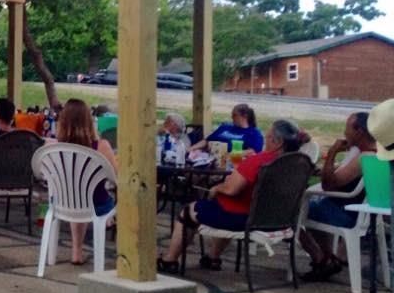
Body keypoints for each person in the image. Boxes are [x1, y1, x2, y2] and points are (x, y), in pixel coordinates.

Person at [157, 120, 308, 273]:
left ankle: (170, 259)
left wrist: (217, 188)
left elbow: (231, 189)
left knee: (190, 211)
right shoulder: (298, 163)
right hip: (278, 219)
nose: (265, 140)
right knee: (221, 206)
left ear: (278, 142)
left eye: (267, 137)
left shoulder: (258, 161)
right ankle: (212, 258)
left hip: (245, 218)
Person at [299, 112, 376, 282]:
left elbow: (329, 184)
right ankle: (328, 256)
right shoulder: (376, 152)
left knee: (293, 209)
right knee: (311, 205)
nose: (345, 133)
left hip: (345, 215)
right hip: (362, 215)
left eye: (347, 128)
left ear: (359, 132)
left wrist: (333, 152)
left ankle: (322, 258)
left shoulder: (364, 157)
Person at [55, 98, 119, 265]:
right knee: (122, 197)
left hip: (63, 203)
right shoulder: (101, 146)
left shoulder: (54, 147)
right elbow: (117, 177)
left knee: (78, 196)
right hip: (97, 204)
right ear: (89, 121)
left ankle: (77, 251)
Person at [190, 104, 264, 154]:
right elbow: (207, 141)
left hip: (233, 163)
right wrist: (191, 148)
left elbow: (252, 152)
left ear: (245, 116)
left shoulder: (254, 133)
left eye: (234, 115)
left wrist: (229, 154)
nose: (232, 117)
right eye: (232, 115)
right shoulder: (225, 127)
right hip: (211, 157)